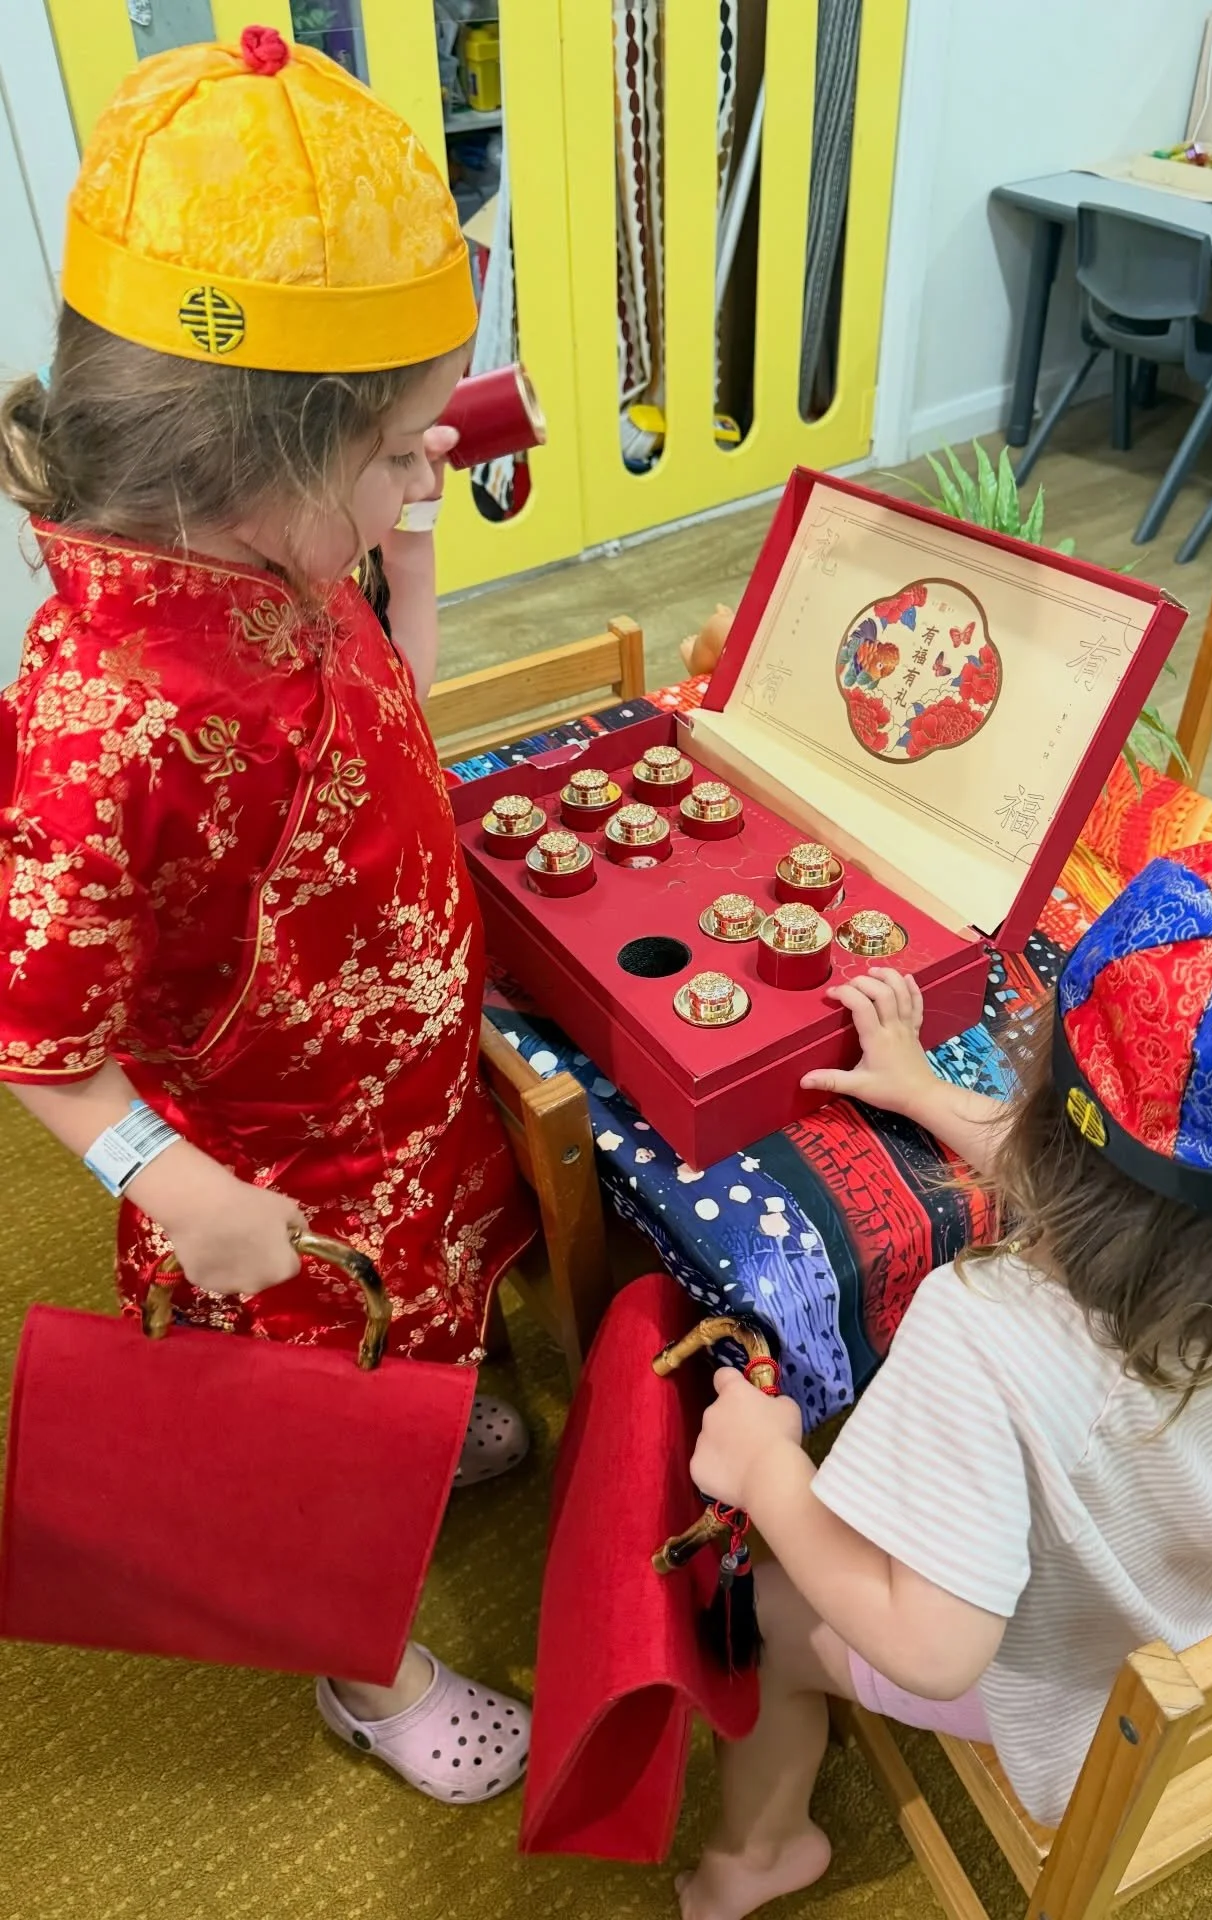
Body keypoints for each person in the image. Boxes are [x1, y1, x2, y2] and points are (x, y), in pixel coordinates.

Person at [0, 28, 537, 1803]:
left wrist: (411, 561)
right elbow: (38, 1040)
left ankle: (419, 1424)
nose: (417, 484)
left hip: (402, 1112)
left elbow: (393, 715)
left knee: (416, 1351)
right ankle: (364, 1679)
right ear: (266, 456)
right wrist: (175, 1189)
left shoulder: (280, 562)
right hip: (276, 1185)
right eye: (396, 456)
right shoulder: (104, 723)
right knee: (307, 1444)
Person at [678, 826, 1212, 1917]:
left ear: (1049, 1089)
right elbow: (1151, 1207)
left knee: (760, 1611)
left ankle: (759, 1854)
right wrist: (924, 1092)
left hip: (1081, 1696)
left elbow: (931, 1650)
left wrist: (767, 1473)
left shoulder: (980, 1329)